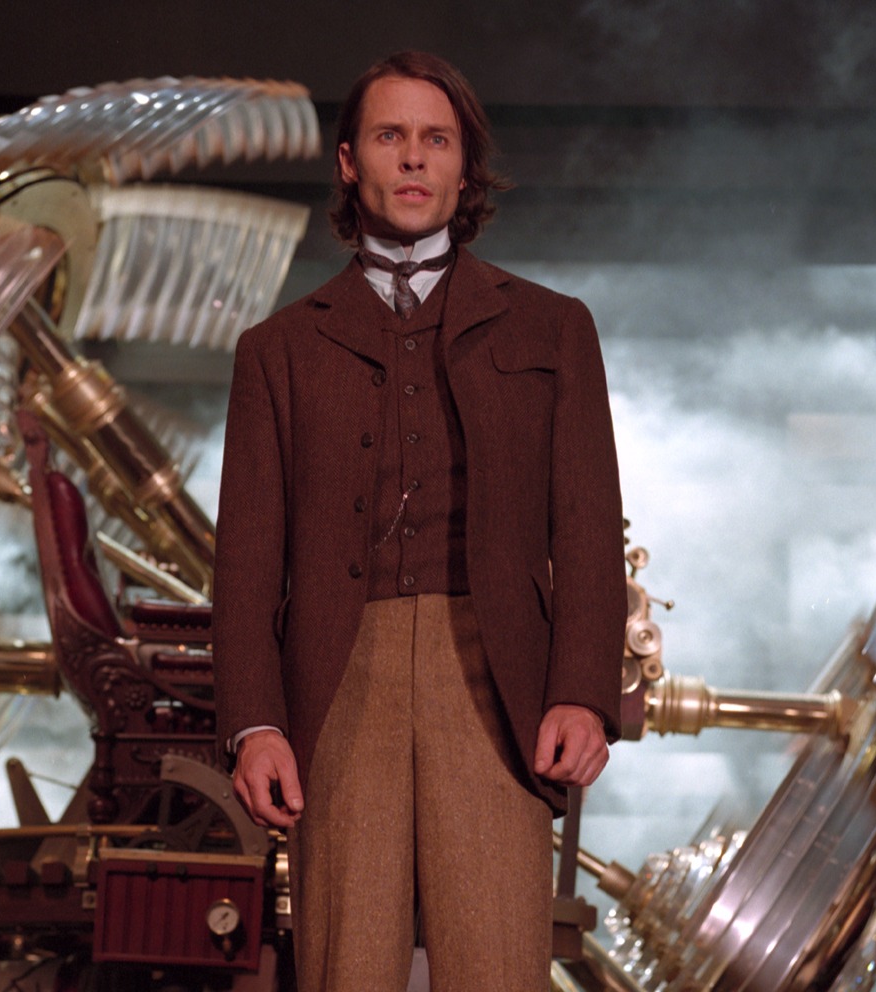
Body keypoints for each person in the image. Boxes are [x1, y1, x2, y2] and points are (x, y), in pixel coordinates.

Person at [211, 50, 626, 991]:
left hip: (496, 680)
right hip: (335, 683)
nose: (412, 158)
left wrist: (581, 692)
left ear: (464, 167)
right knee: (345, 968)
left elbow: (589, 528)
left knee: (497, 966)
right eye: (389, 136)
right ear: (349, 162)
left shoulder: (553, 328)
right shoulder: (277, 349)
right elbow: (245, 562)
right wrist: (255, 723)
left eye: (436, 139)